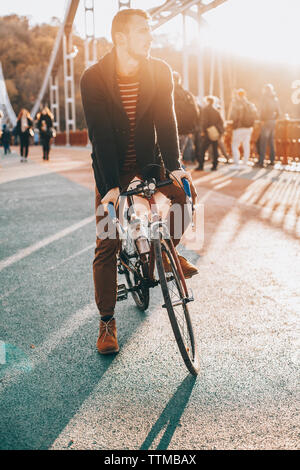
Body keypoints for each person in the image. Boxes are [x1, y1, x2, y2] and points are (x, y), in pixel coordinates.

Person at [80, 8, 198, 355]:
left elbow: (167, 118)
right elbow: (100, 136)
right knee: (108, 239)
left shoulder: (159, 70)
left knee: (185, 197)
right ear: (120, 38)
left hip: (150, 161)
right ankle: (106, 322)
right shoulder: (94, 78)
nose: (150, 37)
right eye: (143, 31)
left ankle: (164, 255)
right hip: (111, 166)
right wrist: (110, 188)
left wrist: (175, 166)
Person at [229, 88, 257, 169]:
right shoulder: (249, 104)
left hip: (238, 127)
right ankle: (245, 163)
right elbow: (255, 114)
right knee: (246, 145)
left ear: (238, 95)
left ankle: (237, 163)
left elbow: (232, 116)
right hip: (248, 128)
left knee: (235, 145)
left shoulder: (236, 104)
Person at [195, 95, 224, 171]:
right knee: (215, 149)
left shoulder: (205, 110)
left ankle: (201, 165)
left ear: (207, 101)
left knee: (202, 149)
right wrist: (219, 131)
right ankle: (215, 165)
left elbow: (204, 121)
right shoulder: (216, 111)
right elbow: (221, 122)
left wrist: (202, 131)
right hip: (215, 133)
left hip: (207, 132)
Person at [257, 84, 281, 167]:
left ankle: (261, 161)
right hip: (272, 122)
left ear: (266, 90)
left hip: (266, 121)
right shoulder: (275, 99)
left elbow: (262, 110)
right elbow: (278, 113)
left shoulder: (264, 98)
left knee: (263, 142)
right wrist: (274, 119)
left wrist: (262, 120)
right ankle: (272, 160)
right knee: (271, 142)